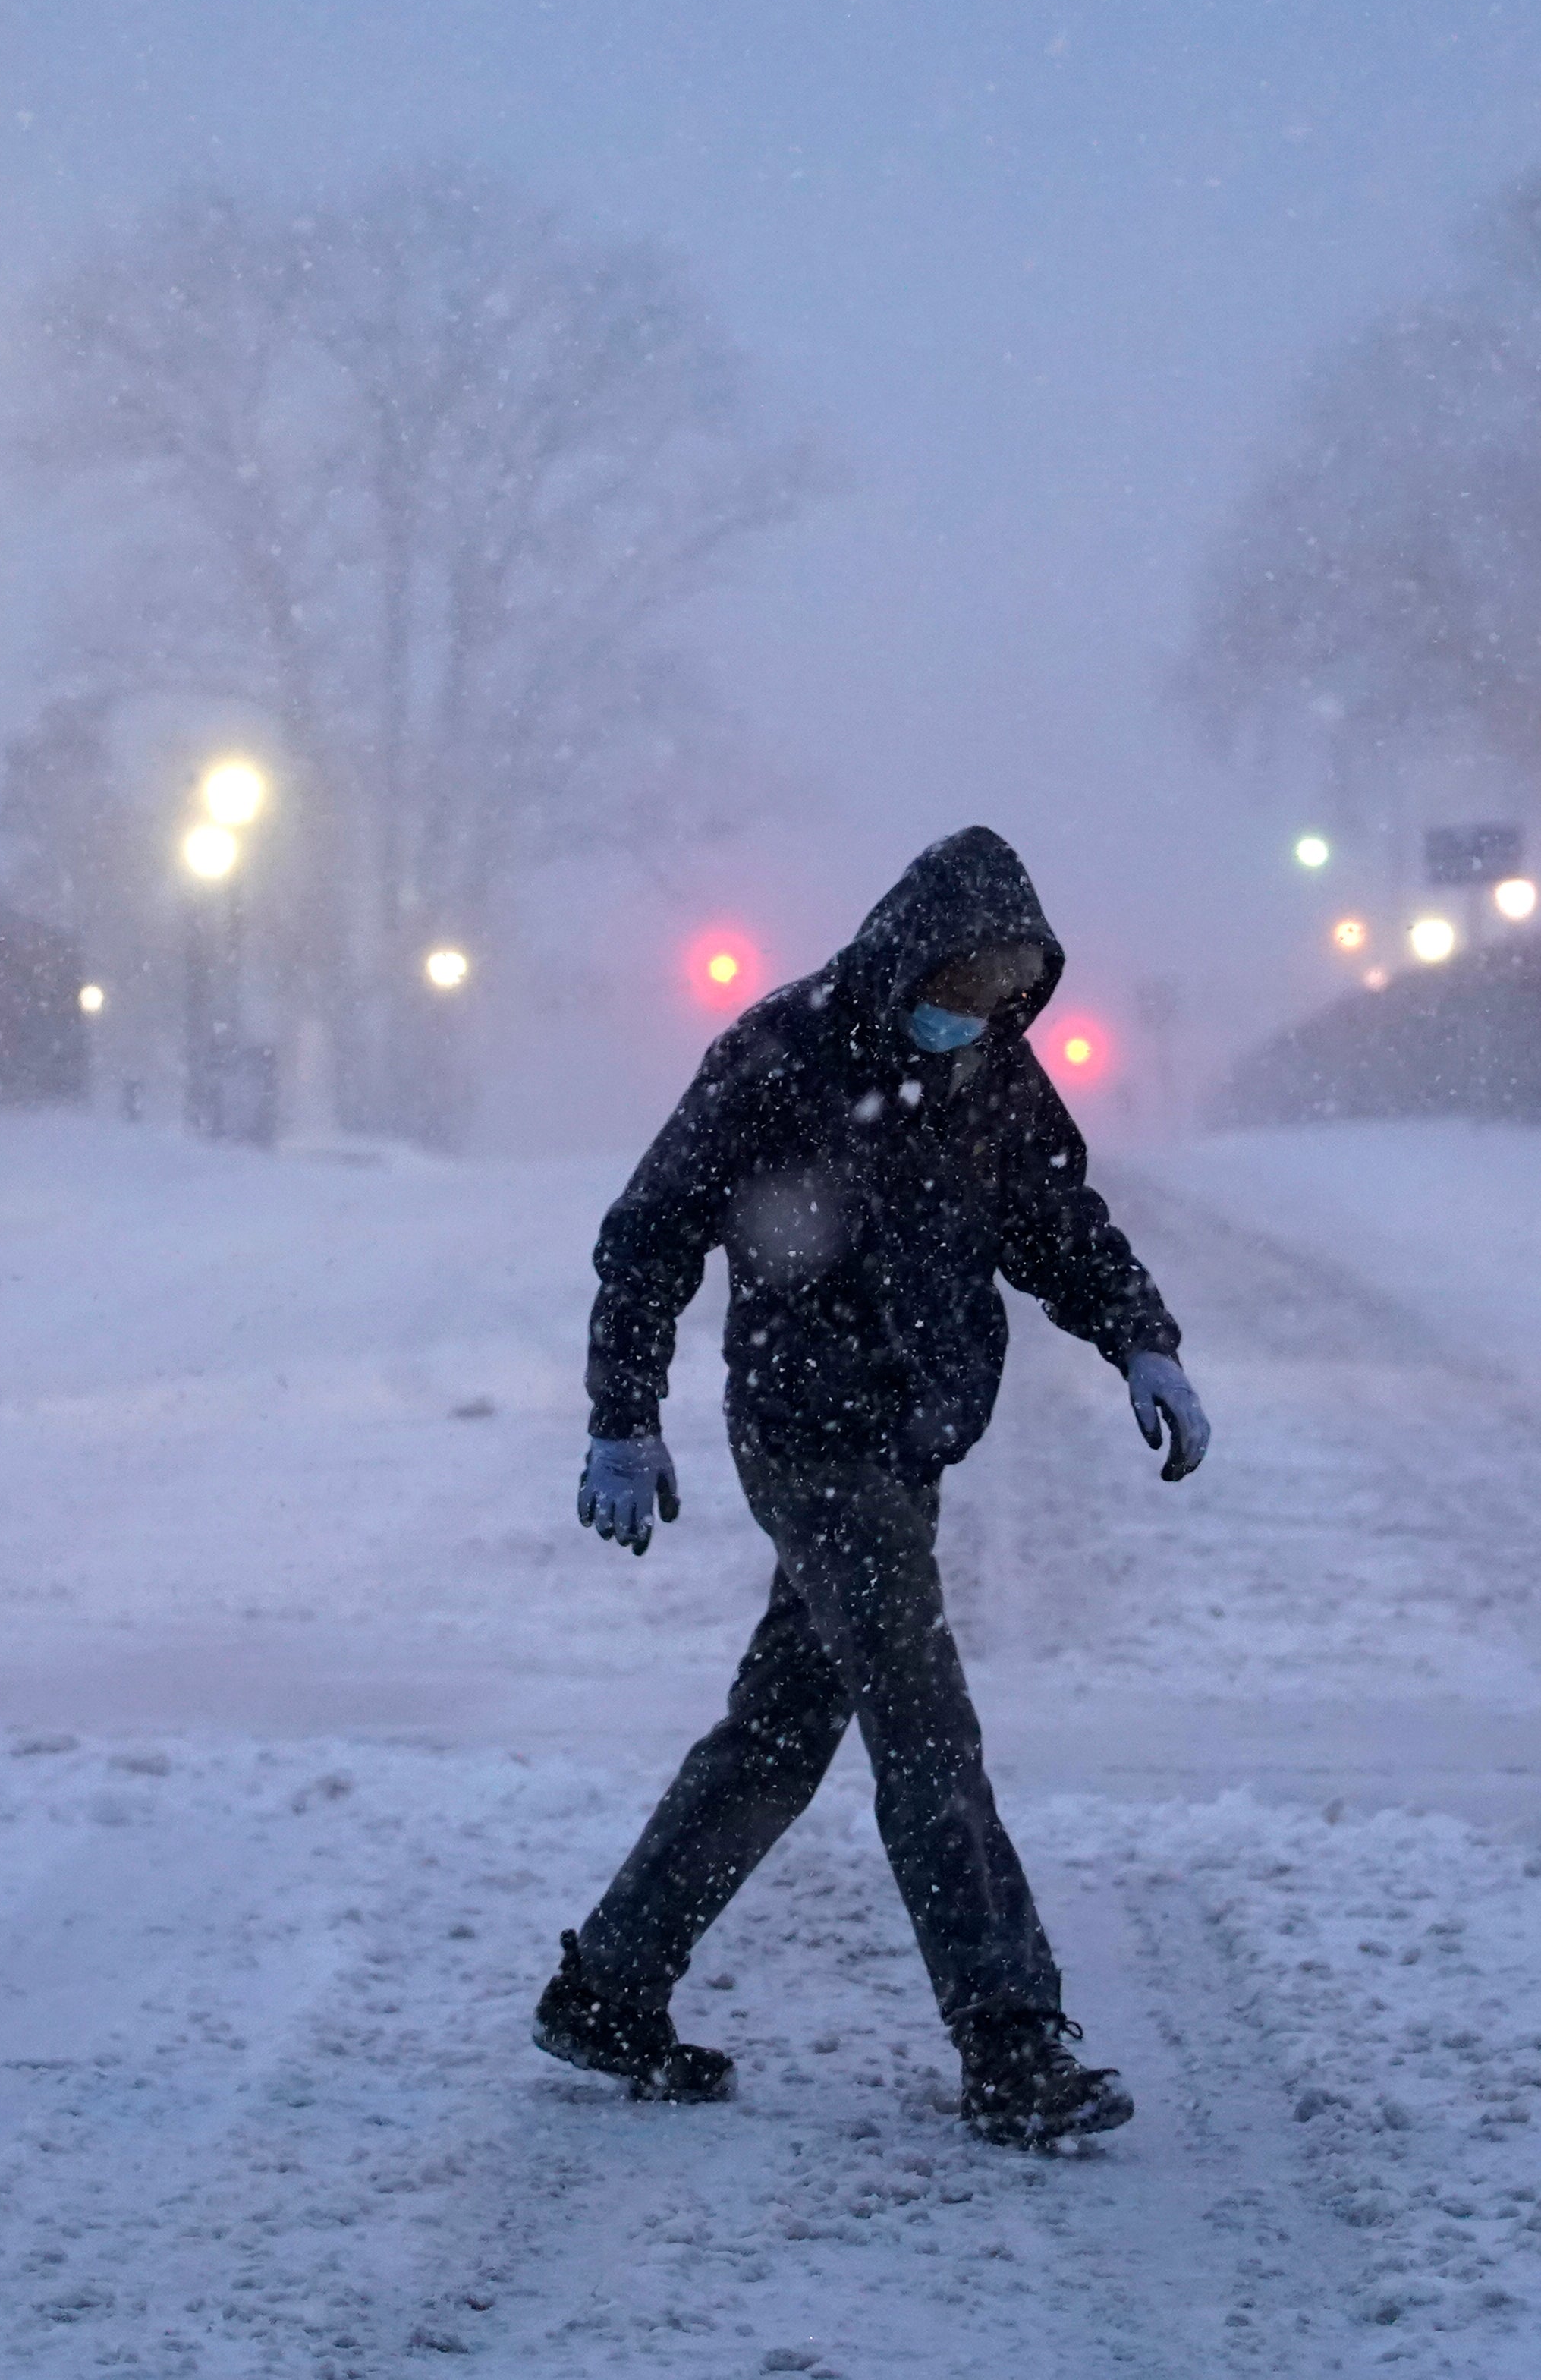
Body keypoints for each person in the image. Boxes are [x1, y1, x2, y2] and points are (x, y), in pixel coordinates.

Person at [534, 826, 1212, 2149]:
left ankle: (609, 1987)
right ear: (911, 950)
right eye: (962, 989)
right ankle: (1010, 2041)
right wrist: (624, 1418)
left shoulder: (991, 1080)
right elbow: (651, 1234)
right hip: (807, 1436)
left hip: (905, 1441)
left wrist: (1144, 1338)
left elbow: (1058, 1223)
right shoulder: (779, 1058)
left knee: (781, 1735)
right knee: (924, 1725)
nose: (978, 1018)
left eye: (1006, 998)